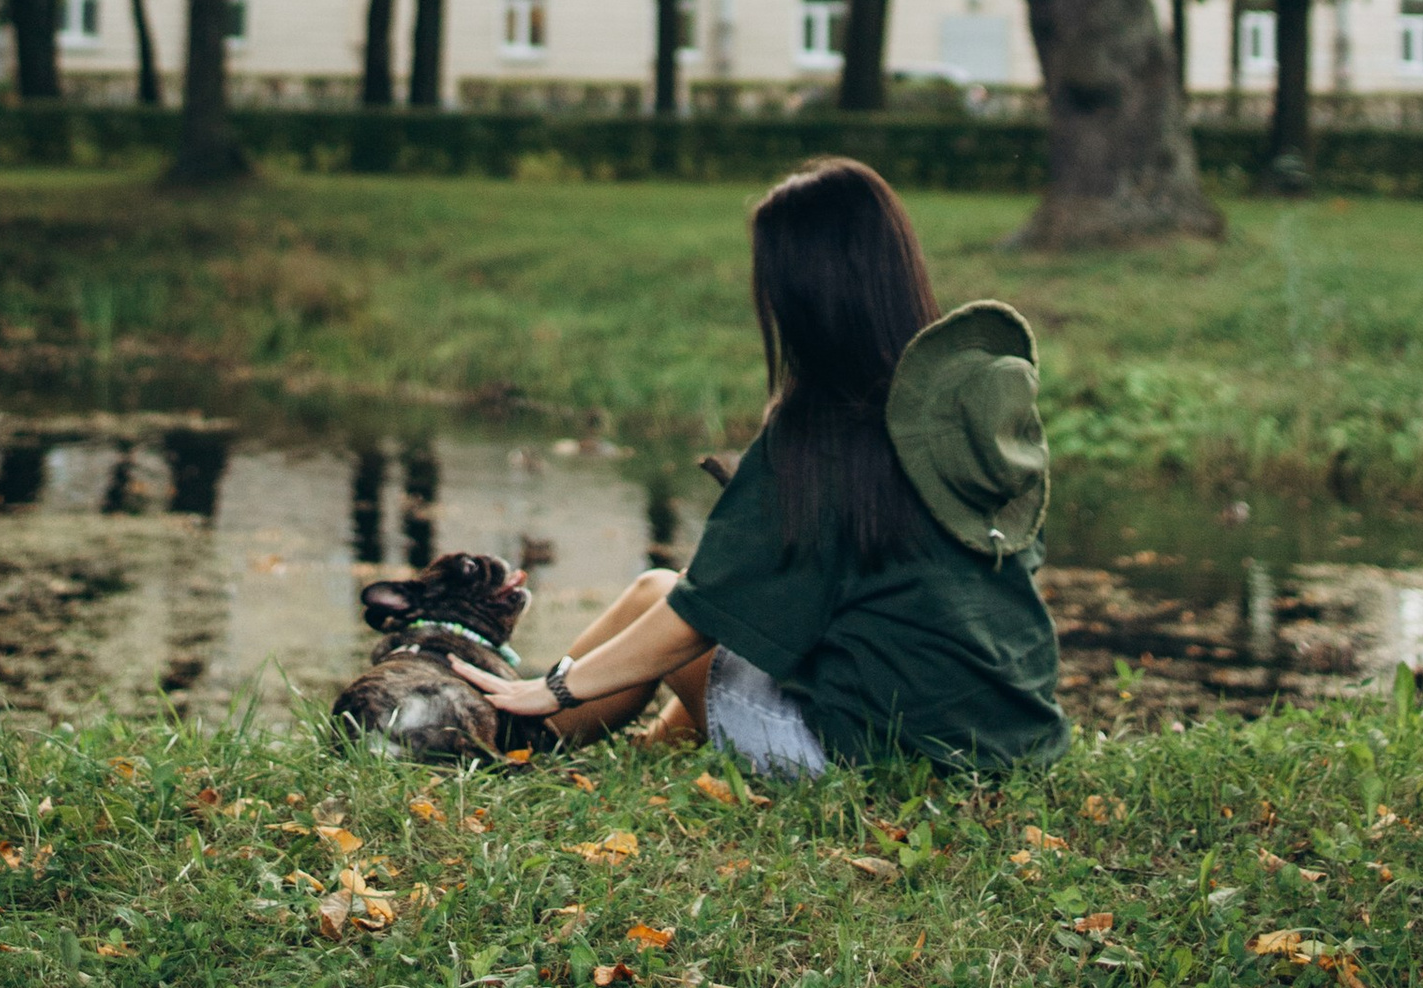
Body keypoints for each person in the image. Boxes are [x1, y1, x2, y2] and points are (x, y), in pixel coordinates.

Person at [454, 156, 1067, 779]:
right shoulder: (964, 412)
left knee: (660, 595)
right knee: (678, 604)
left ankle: (504, 741)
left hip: (877, 759)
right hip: (1017, 741)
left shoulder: (823, 435)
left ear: (799, 297)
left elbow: (695, 619)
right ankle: (646, 751)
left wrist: (556, 687)